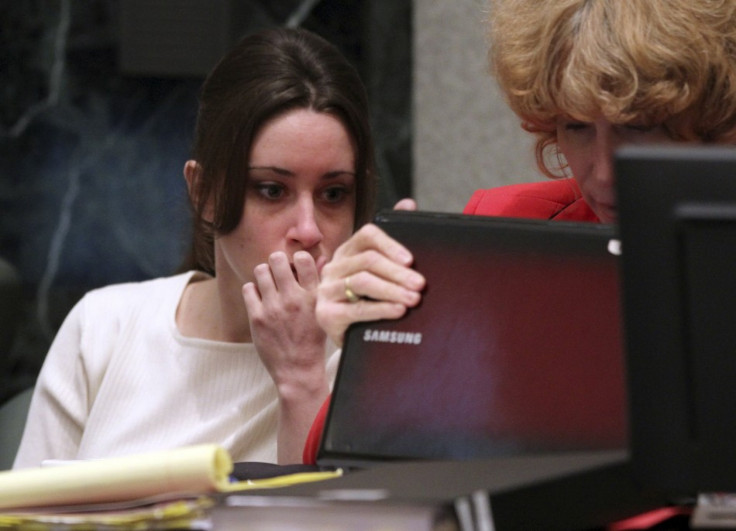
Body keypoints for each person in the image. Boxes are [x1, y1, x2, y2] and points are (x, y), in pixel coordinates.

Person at [302, 0, 736, 464]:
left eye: (640, 127)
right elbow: (350, 467)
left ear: (716, 120)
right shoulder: (512, 227)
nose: (605, 174)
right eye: (577, 127)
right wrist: (372, 357)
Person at [13, 26, 377, 469]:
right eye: (271, 190)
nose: (309, 229)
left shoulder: (373, 359)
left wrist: (301, 378)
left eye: (334, 194)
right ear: (203, 193)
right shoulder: (103, 328)